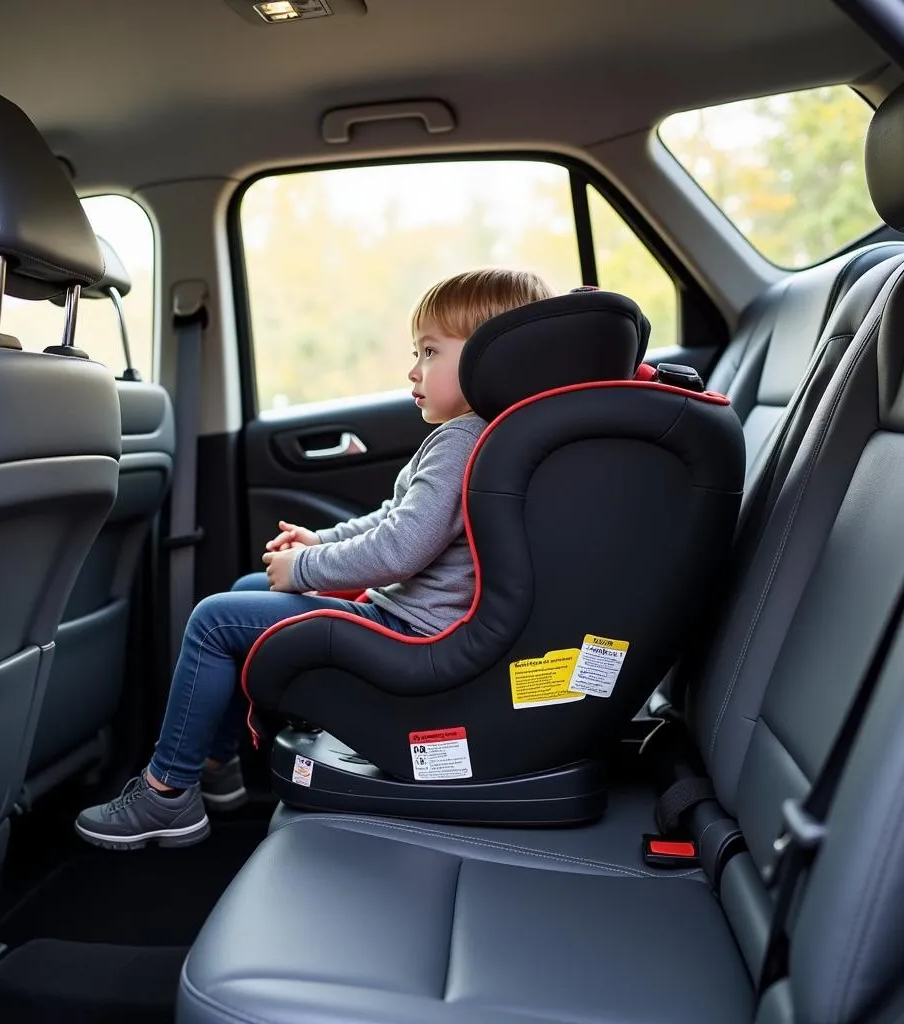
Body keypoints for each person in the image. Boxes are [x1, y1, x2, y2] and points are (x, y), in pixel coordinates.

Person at [74, 268, 554, 850]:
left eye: (430, 351)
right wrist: (321, 542)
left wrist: (304, 570)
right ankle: (215, 764)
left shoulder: (463, 440)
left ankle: (167, 793)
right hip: (418, 619)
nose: (413, 370)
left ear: (490, 360)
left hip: (413, 633)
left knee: (214, 619)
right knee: (252, 586)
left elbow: (402, 548)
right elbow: (394, 517)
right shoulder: (482, 435)